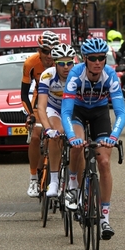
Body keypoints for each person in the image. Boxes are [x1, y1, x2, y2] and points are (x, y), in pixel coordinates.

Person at [61, 38, 125, 240]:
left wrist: (113, 137)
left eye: (101, 58)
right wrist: (72, 137)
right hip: (78, 112)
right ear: (85, 59)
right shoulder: (75, 74)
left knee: (104, 161)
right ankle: (73, 184)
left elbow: (121, 113)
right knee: (78, 145)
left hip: (99, 113)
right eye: (93, 58)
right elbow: (65, 112)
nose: (98, 62)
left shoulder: (110, 76)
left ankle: (104, 218)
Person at [21, 30, 60, 197]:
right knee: (36, 136)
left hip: (59, 99)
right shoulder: (30, 63)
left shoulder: (63, 61)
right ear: (39, 50)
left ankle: (61, 176)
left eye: (52, 51)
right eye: (45, 51)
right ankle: (33, 179)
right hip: (41, 100)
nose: (49, 56)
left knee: (61, 136)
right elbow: (24, 93)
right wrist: (30, 114)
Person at [37, 43, 77, 197]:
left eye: (69, 63)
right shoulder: (47, 75)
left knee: (78, 140)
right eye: (61, 63)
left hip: (73, 109)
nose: (66, 67)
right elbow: (41, 107)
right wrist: (48, 129)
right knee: (57, 133)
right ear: (55, 63)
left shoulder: (79, 74)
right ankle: (54, 181)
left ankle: (78, 181)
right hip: (54, 109)